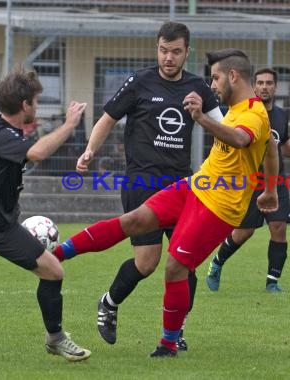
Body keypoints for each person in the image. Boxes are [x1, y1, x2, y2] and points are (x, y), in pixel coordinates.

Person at [51, 48, 279, 357]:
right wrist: (271, 191)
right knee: (133, 221)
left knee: (175, 267)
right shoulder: (238, 108)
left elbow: (240, 139)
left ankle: (169, 343)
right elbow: (271, 146)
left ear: (233, 76)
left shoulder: (253, 113)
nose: (211, 85)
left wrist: (199, 117)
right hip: (195, 186)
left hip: (220, 206)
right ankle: (56, 254)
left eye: (215, 78)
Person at [72, 21, 223, 351]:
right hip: (142, 183)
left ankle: (176, 332)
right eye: (163, 50)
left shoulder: (198, 87)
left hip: (183, 186)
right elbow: (108, 118)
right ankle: (109, 303)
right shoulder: (140, 81)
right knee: (147, 262)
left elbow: (223, 128)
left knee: (186, 262)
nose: (168, 58)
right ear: (157, 48)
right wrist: (90, 151)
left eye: (176, 52)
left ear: (187, 52)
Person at [0, 66, 91, 361]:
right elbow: (37, 153)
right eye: (36, 101)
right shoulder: (6, 137)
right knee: (53, 271)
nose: (37, 106)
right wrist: (69, 124)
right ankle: (56, 339)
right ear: (24, 105)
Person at [205, 67, 290, 293]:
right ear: (253, 86)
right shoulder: (247, 113)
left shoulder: (280, 114)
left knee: (278, 228)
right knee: (244, 232)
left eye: (269, 83)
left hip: (274, 180)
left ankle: (272, 282)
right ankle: (217, 263)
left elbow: (282, 142)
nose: (265, 87)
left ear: (275, 87)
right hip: (249, 180)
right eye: (260, 83)